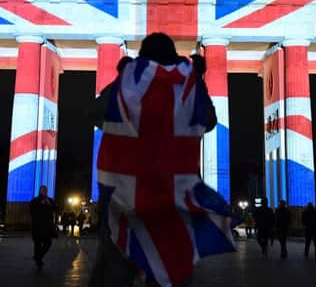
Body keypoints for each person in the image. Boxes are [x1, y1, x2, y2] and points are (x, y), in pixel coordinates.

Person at [88, 32, 232, 287]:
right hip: (171, 201)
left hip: (126, 200)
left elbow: (97, 113)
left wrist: (124, 79)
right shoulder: (185, 86)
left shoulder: (129, 84)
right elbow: (208, 120)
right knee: (171, 274)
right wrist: (197, 79)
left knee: (113, 275)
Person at [29, 185, 57, 268]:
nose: (44, 191)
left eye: (45, 190)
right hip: (37, 227)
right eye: (43, 190)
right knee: (37, 244)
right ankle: (39, 261)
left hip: (47, 227)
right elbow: (32, 212)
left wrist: (49, 205)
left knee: (48, 243)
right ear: (40, 191)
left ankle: (38, 257)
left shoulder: (50, 200)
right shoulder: (35, 200)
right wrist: (41, 205)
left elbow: (55, 209)